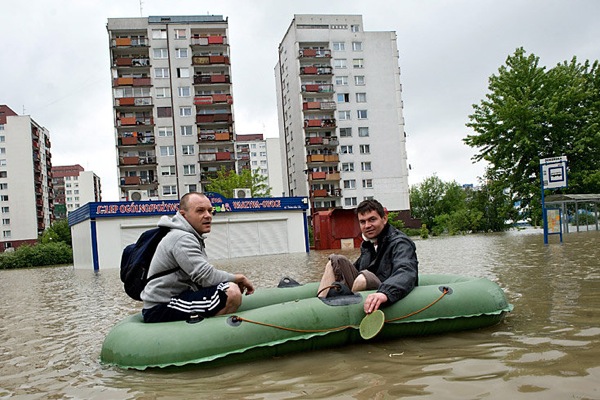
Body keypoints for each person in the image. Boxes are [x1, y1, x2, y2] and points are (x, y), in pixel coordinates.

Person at [141, 192, 255, 323]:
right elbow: (206, 277)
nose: (208, 215)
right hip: (162, 306)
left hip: (175, 298)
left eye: (210, 211)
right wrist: (238, 278)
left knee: (225, 288)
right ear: (184, 215)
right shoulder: (182, 238)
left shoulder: (189, 235)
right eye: (200, 211)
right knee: (231, 292)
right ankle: (214, 337)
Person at [317, 199, 418, 314]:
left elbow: (406, 271)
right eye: (362, 222)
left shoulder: (400, 243)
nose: (367, 226)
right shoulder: (368, 245)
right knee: (335, 261)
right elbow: (356, 269)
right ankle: (320, 307)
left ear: (384, 219)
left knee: (363, 278)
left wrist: (385, 293)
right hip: (366, 287)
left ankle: (349, 313)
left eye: (372, 220)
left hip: (385, 287)